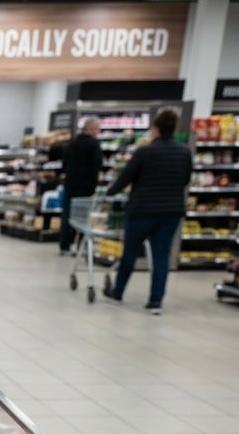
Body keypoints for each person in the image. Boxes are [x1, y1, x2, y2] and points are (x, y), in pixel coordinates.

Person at [102, 108, 192, 314]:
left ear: (156, 128)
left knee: (130, 253)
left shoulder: (145, 152)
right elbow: (185, 180)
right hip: (171, 212)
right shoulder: (184, 152)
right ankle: (155, 301)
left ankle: (118, 292)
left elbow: (126, 177)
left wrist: (110, 192)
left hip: (142, 210)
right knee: (161, 255)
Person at [58, 118, 103, 254]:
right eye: (97, 129)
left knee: (68, 215)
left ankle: (64, 245)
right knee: (83, 217)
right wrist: (96, 183)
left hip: (70, 185)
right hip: (86, 187)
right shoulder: (94, 144)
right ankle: (80, 246)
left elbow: (64, 164)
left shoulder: (73, 143)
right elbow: (96, 166)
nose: (98, 131)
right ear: (91, 129)